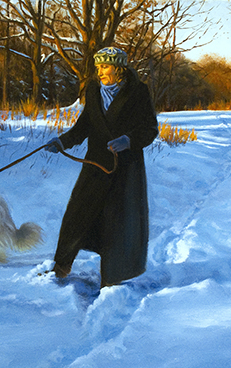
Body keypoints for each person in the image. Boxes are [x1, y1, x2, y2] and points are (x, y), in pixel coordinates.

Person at [45, 47, 158, 288]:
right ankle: (61, 267)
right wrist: (62, 141)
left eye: (104, 67)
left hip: (125, 170)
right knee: (77, 214)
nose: (100, 72)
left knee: (116, 224)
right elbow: (84, 125)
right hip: (95, 165)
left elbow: (150, 129)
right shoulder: (94, 91)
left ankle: (113, 278)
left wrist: (128, 141)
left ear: (118, 68)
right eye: (98, 67)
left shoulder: (138, 92)